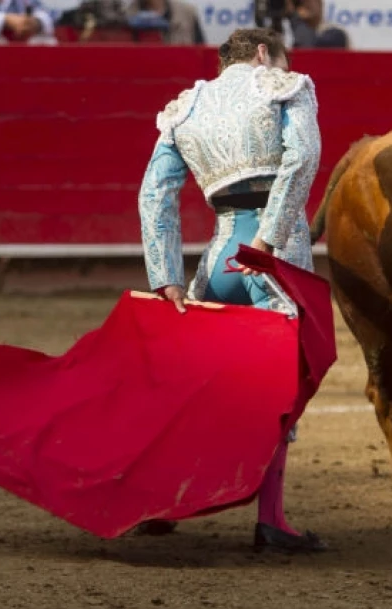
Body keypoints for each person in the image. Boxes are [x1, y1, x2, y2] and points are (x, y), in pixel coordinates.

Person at [136, 27, 325, 552]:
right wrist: (268, 240)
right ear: (264, 54)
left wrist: (167, 277)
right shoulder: (285, 86)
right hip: (272, 259)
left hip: (217, 263)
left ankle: (164, 502)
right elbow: (303, 156)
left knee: (200, 386)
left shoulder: (184, 109)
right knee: (281, 389)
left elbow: (155, 196)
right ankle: (272, 521)